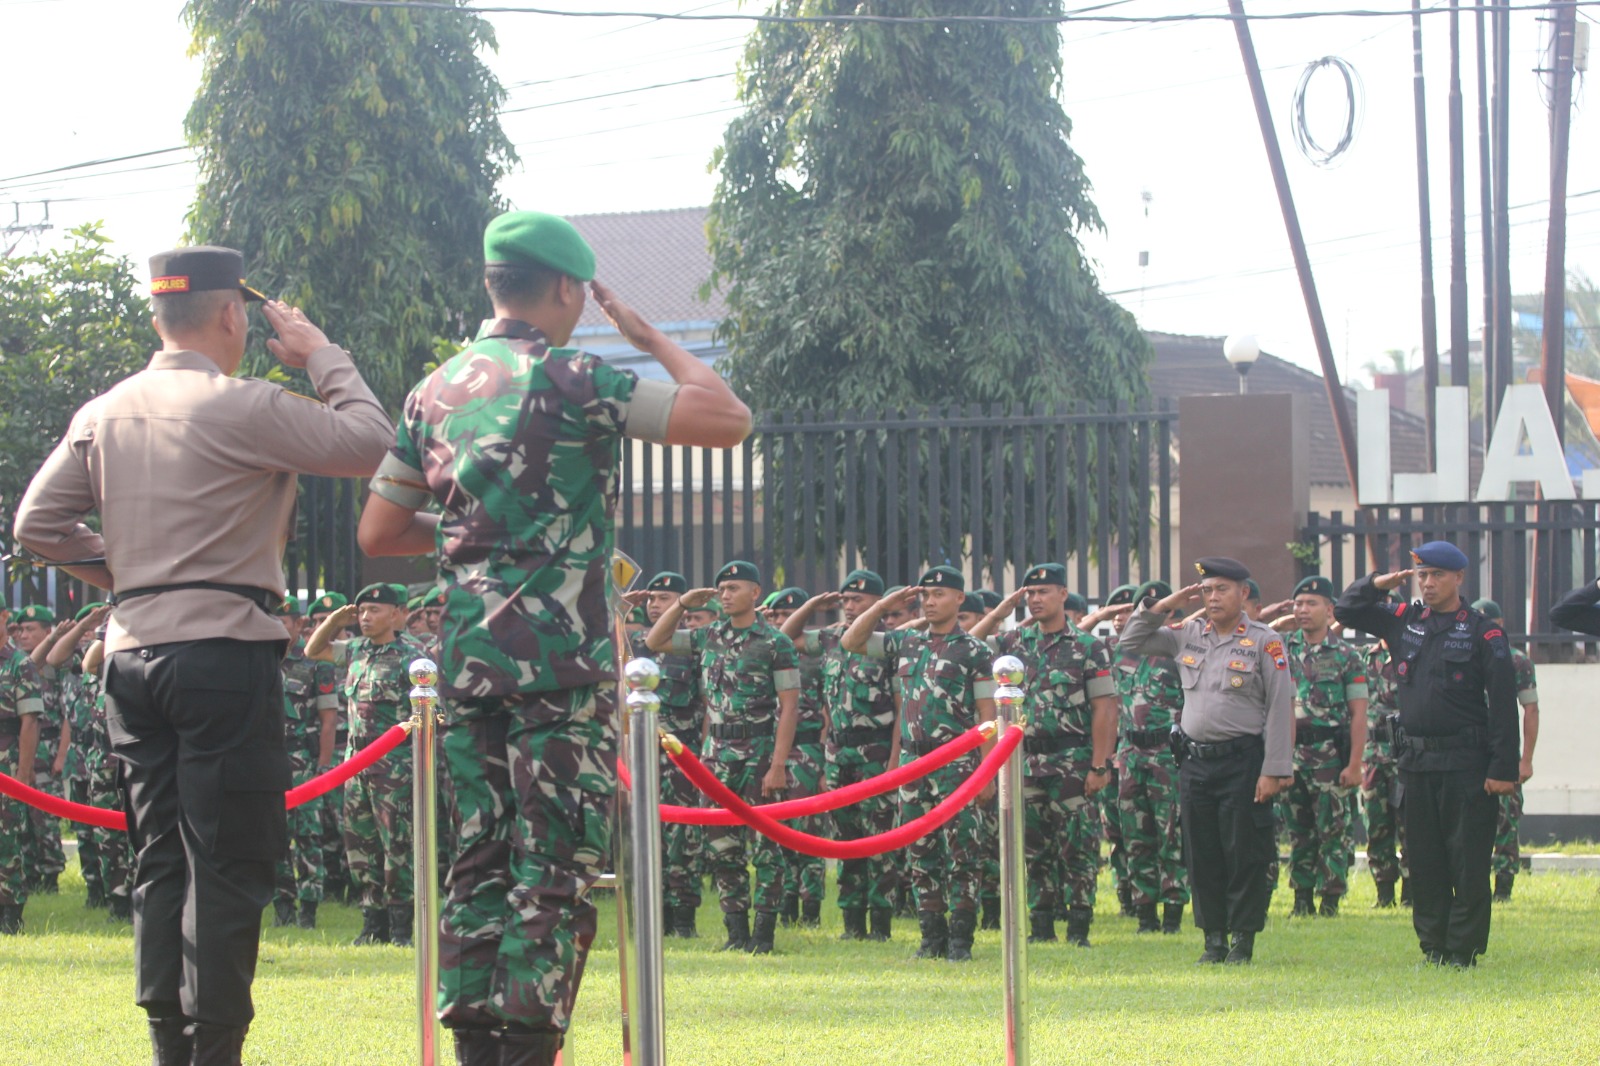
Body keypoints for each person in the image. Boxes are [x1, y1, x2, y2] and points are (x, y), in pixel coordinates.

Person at [357, 209, 750, 1065]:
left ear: (495, 285)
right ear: (570, 288)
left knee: (478, 864)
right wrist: (647, 335)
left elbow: (380, 532)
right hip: (561, 672)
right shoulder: (578, 378)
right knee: (552, 871)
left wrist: (481, 531)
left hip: (465, 669)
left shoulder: (434, 392)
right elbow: (726, 419)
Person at [13, 244, 392, 1063]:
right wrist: (324, 354)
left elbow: (35, 526)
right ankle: (213, 1052)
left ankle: (168, 1048)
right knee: (229, 861)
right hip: (222, 652)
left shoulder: (102, 411)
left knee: (160, 859)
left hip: (131, 655)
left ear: (159, 316)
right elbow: (373, 443)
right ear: (233, 315)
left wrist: (137, 577)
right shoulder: (246, 405)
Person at [1333, 542, 1519, 967]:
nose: (1428, 583)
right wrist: (1380, 584)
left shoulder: (1483, 631)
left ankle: (1463, 950)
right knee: (1424, 859)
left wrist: (1503, 768)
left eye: (1437, 575)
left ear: (1459, 578)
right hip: (1415, 763)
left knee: (1468, 859)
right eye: (1422, 575)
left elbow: (1504, 704)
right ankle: (1433, 947)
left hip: (1466, 763)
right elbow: (1347, 610)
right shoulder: (1404, 622)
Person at [1119, 557, 1294, 965]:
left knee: (1244, 851)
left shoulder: (1265, 641)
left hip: (1243, 760)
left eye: (1222, 590)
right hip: (1195, 762)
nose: (1213, 598)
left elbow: (1281, 706)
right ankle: (1212, 939)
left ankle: (1242, 940)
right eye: (1207, 590)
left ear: (1243, 593)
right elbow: (1130, 641)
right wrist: (1164, 605)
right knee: (1202, 852)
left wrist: (1275, 769)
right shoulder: (1188, 635)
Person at [842, 566, 997, 962]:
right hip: (914, 761)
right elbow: (851, 640)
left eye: (940, 594)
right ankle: (931, 938)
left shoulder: (975, 651)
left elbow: (986, 712)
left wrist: (986, 773)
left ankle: (961, 941)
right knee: (919, 853)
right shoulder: (906, 642)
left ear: (959, 599)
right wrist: (882, 605)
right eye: (925, 594)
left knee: (963, 852)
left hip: (958, 763)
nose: (930, 601)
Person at [644, 561, 800, 955]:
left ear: (755, 593)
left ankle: (764, 934)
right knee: (721, 846)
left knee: (767, 846)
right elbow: (655, 642)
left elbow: (789, 706)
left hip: (760, 752)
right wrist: (681, 604)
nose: (726, 594)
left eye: (734, 587)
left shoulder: (775, 642)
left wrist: (778, 764)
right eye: (722, 588)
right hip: (716, 755)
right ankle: (736, 933)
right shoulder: (706, 636)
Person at [970, 563, 1117, 948]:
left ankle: (1079, 927)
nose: (1035, 600)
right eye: (1030, 594)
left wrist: (1101, 764)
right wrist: (1000, 613)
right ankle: (1040, 925)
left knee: (1079, 846)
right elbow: (969, 643)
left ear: (1063, 595)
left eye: (1044, 592)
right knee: (1032, 847)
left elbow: (1104, 708)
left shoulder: (1087, 648)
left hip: (1072, 760)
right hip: (1025, 762)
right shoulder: (1012, 643)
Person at [781, 569, 901, 942]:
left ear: (877, 606)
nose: (849, 607)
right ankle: (852, 923)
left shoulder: (888, 643)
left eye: (858, 601)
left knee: (879, 840)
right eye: (846, 600)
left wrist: (895, 766)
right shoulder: (831, 638)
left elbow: (900, 711)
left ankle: (880, 924)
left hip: (877, 749)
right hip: (838, 752)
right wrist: (812, 605)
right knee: (846, 840)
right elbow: (784, 638)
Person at [306, 584, 425, 947]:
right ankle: (373, 924)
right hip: (356, 767)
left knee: (398, 847)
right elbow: (314, 650)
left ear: (396, 613)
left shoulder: (414, 656)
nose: (366, 617)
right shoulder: (356, 650)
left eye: (375, 609)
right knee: (361, 846)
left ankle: (402, 927)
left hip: (396, 768)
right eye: (362, 611)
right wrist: (334, 620)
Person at [1279, 576, 1368, 918]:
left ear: (1330, 611)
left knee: (1333, 830)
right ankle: (1301, 897)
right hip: (1292, 756)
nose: (1303, 610)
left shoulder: (1347, 656)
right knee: (1297, 830)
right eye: (1298, 603)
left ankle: (1330, 898)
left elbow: (1359, 713)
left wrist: (1355, 764)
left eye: (1311, 603)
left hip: (1330, 756)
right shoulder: (1282, 650)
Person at [626, 571, 706, 938]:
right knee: (645, 835)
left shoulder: (690, 647)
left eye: (664, 599)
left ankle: (683, 919)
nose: (654, 604)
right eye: (652, 599)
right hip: (642, 757)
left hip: (683, 756)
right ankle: (650, 917)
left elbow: (708, 702)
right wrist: (621, 609)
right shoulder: (637, 647)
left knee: (683, 838)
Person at [1109, 580, 1190, 935]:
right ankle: (1144, 912)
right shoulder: (1121, 652)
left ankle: (1172, 909)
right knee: (1134, 835)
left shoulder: (1180, 650)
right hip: (1130, 753)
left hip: (1167, 755)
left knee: (1171, 833)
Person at [272, 597, 338, 929]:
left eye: (283, 621)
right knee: (273, 836)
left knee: (309, 837)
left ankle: (309, 909)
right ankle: (282, 904)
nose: (277, 627)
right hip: (267, 764)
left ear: (299, 625)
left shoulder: (315, 664)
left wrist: (323, 768)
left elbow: (328, 720)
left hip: (304, 761)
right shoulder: (261, 660)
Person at [764, 587, 828, 928]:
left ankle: (811, 908)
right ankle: (785, 903)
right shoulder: (764, 654)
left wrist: (823, 762)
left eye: (784, 615)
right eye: (773, 615)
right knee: (777, 831)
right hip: (772, 751)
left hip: (807, 751)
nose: (778, 621)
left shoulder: (815, 657)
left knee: (809, 832)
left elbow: (829, 710)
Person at [1470, 599, 1539, 902]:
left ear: (1499, 624)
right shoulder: (1464, 656)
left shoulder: (1516, 660)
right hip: (1468, 752)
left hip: (1503, 752)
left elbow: (1531, 710)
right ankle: (1471, 884)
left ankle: (1504, 886)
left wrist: (1526, 760)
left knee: (1506, 820)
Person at [11, 604, 66, 894]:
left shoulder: (56, 662)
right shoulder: (17, 662)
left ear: (48, 631)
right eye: (20, 629)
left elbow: (67, 714)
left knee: (45, 816)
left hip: (46, 747)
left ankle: (51, 875)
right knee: (22, 817)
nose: (23, 635)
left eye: (30, 629)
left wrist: (61, 755)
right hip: (19, 746)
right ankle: (28, 871)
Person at [0, 605, 45, 934]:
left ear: (4, 617)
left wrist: (23, 774)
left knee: (7, 839)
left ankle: (11, 913)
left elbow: (29, 721)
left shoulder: (19, 664)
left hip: (8, 759)